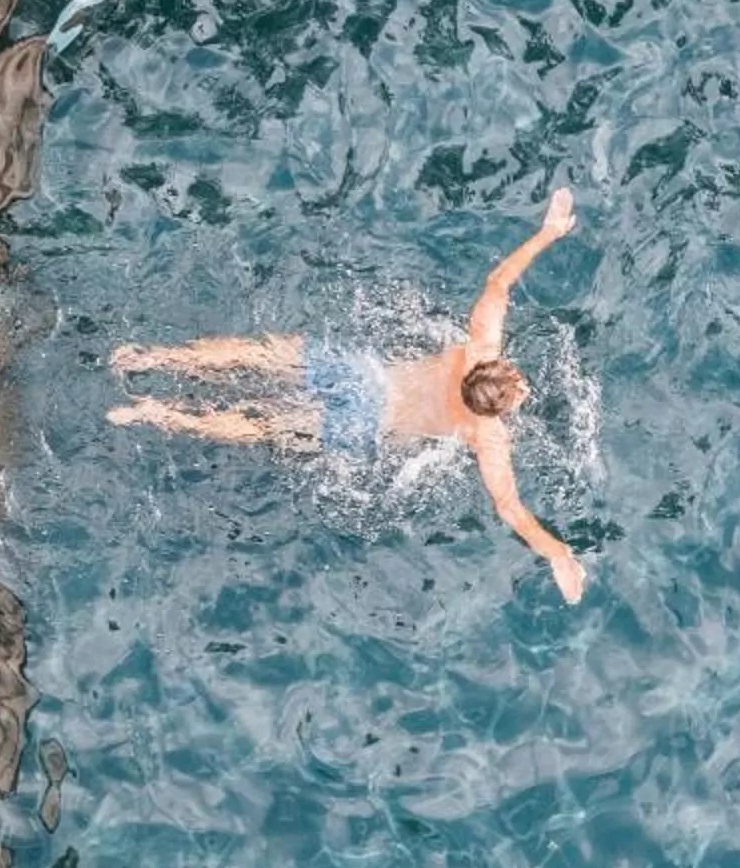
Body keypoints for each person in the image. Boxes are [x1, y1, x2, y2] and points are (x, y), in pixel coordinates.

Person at [107, 189, 589, 603]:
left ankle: (150, 358)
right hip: (365, 425)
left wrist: (548, 232)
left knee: (258, 356)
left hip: (364, 379)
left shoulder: (479, 344)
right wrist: (559, 554)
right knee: (262, 425)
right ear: (499, 407)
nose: (523, 384)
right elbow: (509, 507)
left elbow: (498, 281)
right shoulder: (487, 436)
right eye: (518, 387)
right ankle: (154, 412)